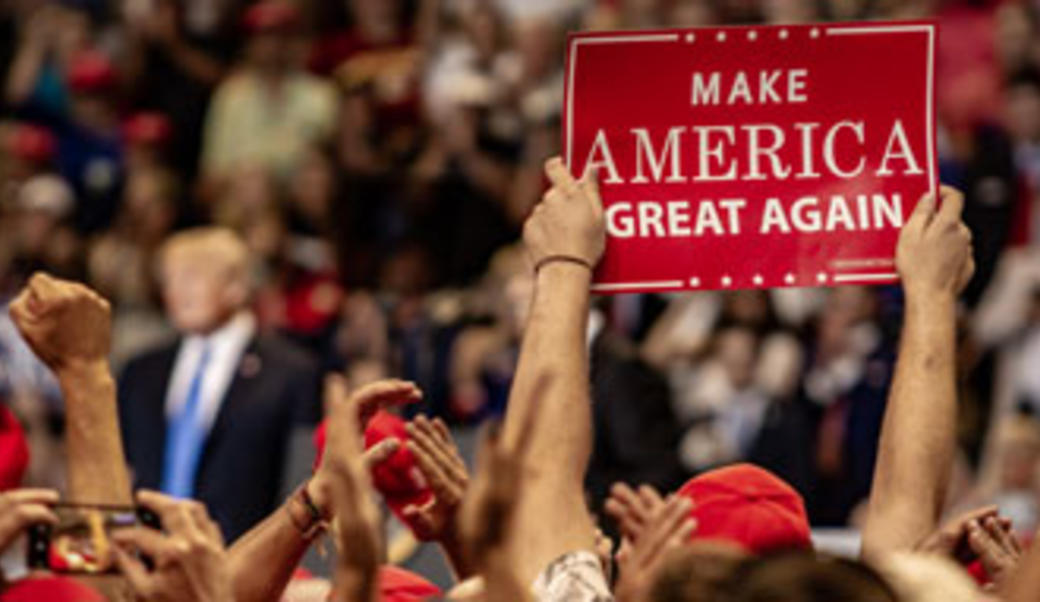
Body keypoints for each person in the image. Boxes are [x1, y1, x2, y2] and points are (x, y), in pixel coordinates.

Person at [118, 227, 321, 541]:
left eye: (192, 278)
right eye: (170, 280)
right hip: (148, 564)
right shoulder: (141, 371)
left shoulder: (291, 373)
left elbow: (299, 483)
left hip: (243, 568)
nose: (178, 291)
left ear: (236, 287)